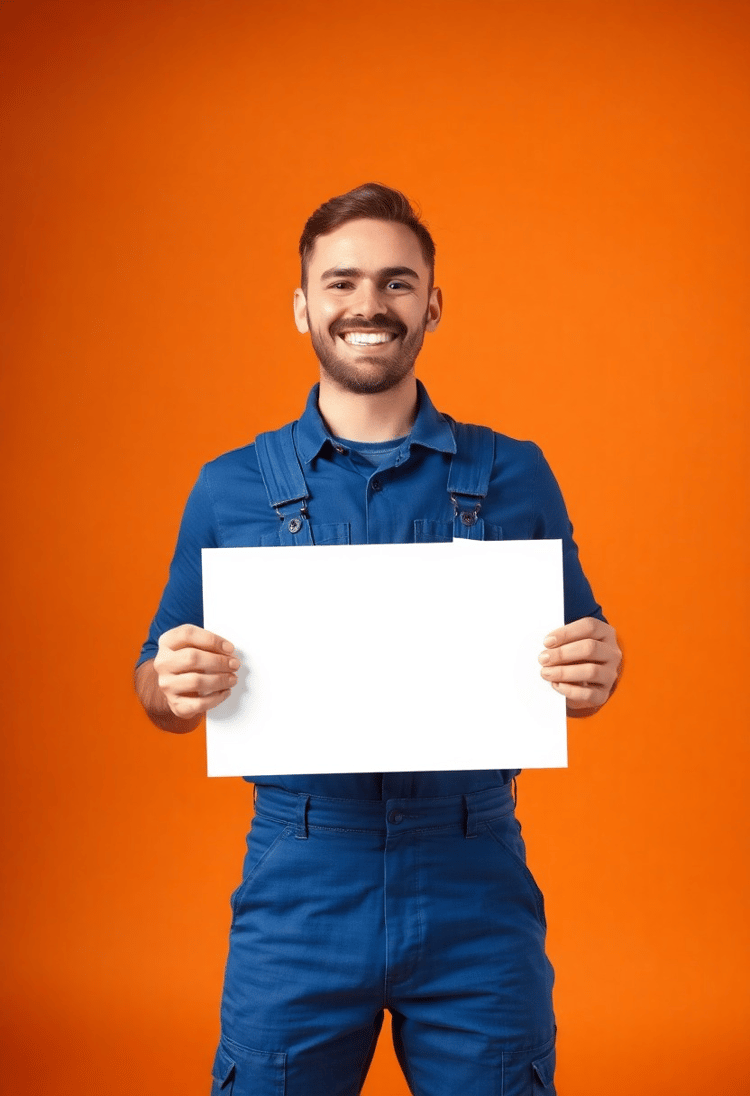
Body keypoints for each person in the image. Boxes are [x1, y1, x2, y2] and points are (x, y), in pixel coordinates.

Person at [135, 182, 622, 1096]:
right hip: (301, 884)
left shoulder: (515, 474)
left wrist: (599, 666)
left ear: (432, 303)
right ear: (303, 305)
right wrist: (171, 680)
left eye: (398, 283)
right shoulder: (228, 488)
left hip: (474, 875)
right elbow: (155, 686)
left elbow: (581, 655)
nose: (369, 305)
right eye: (342, 282)